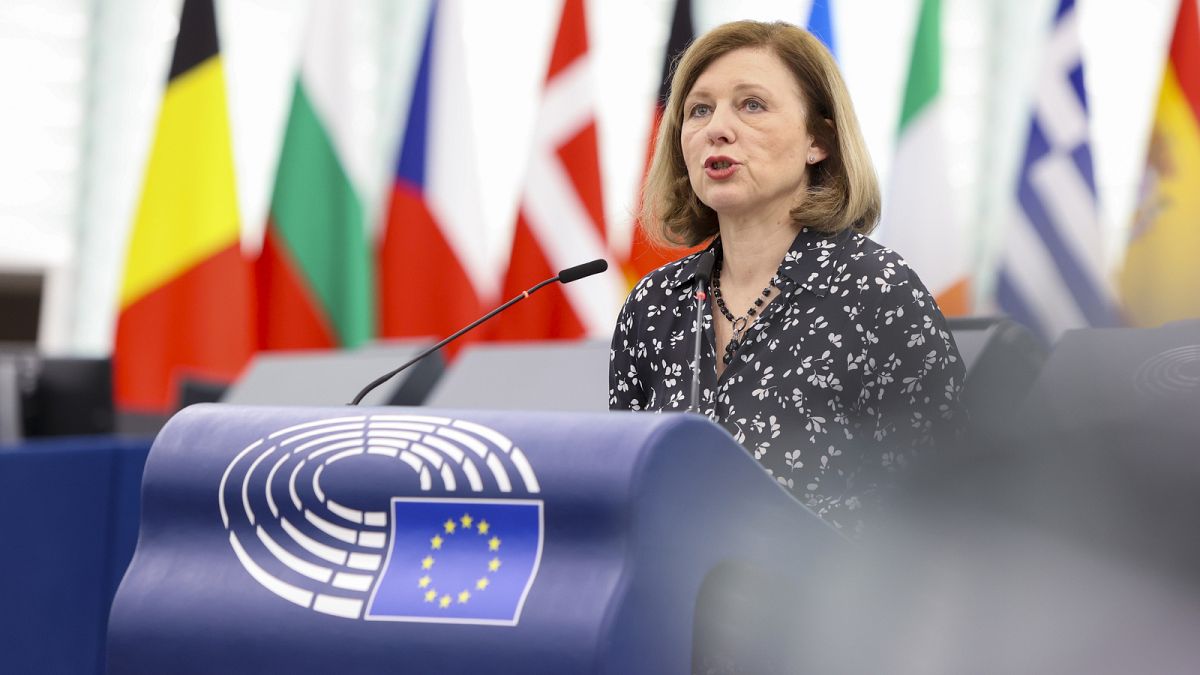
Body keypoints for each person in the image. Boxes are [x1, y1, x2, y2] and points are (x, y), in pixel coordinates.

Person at [609, 20, 966, 532]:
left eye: (751, 104)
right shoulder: (653, 305)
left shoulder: (875, 291)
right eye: (699, 110)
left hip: (831, 606)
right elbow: (626, 494)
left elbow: (949, 511)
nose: (718, 128)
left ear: (817, 141)